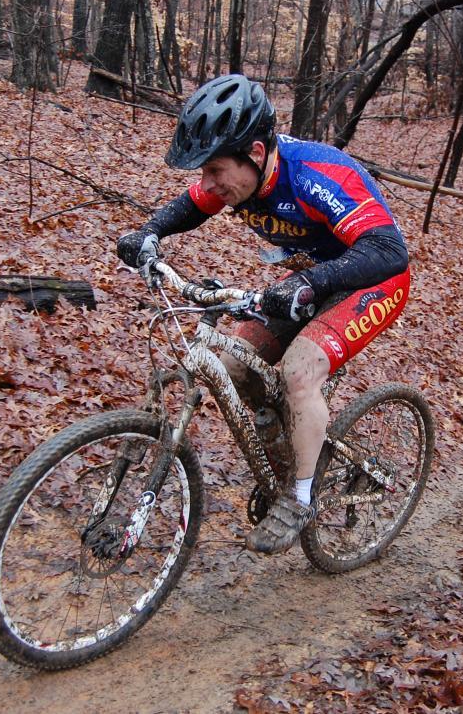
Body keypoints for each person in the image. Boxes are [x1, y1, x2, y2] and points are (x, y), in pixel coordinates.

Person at [116, 74, 411, 554]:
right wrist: (150, 233)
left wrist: (311, 282)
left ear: (255, 153)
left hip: (374, 279)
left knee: (300, 371)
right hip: (313, 276)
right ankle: (290, 439)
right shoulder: (242, 177)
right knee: (231, 364)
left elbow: (389, 251)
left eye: (214, 170)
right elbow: (191, 206)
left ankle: (300, 497)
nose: (207, 184)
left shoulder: (316, 175)